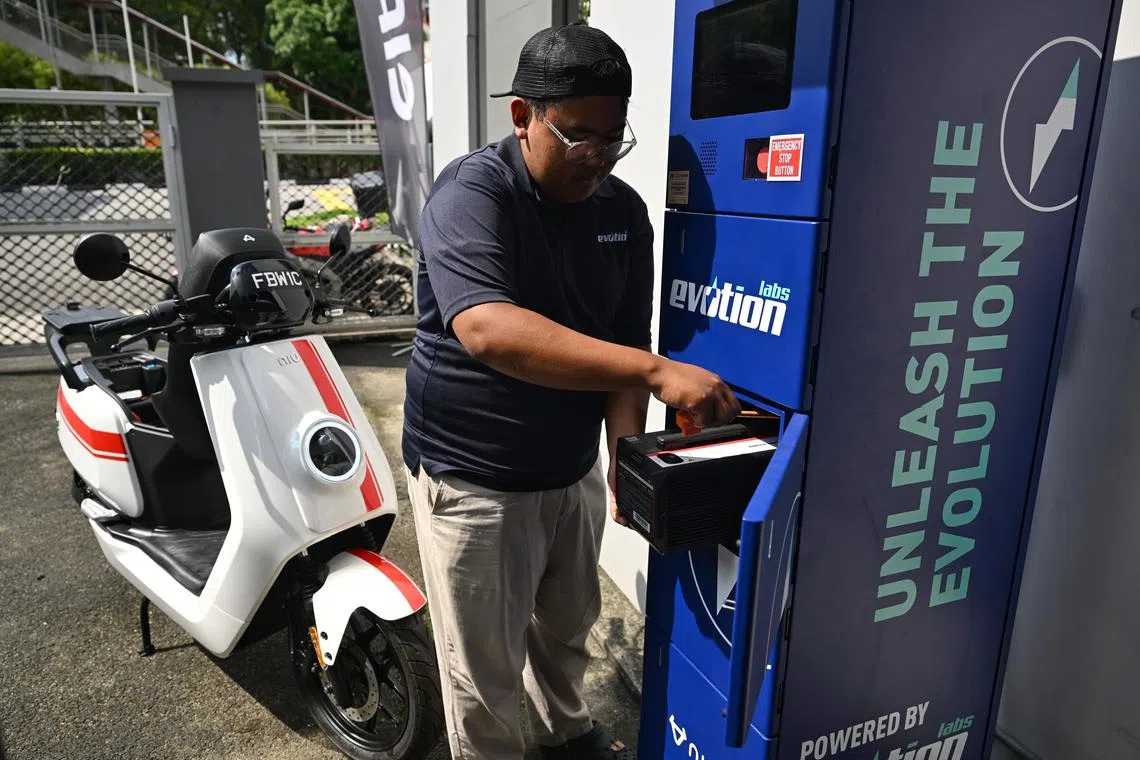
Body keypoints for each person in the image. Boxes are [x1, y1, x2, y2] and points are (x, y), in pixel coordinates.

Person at [402, 22, 741, 760]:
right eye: (580, 134)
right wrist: (655, 374)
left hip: (567, 469)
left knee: (565, 628)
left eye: (614, 136)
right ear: (523, 116)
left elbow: (623, 340)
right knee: (483, 669)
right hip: (474, 476)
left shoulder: (621, 213)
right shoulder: (473, 194)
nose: (599, 155)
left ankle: (567, 738)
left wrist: (623, 457)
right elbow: (489, 329)